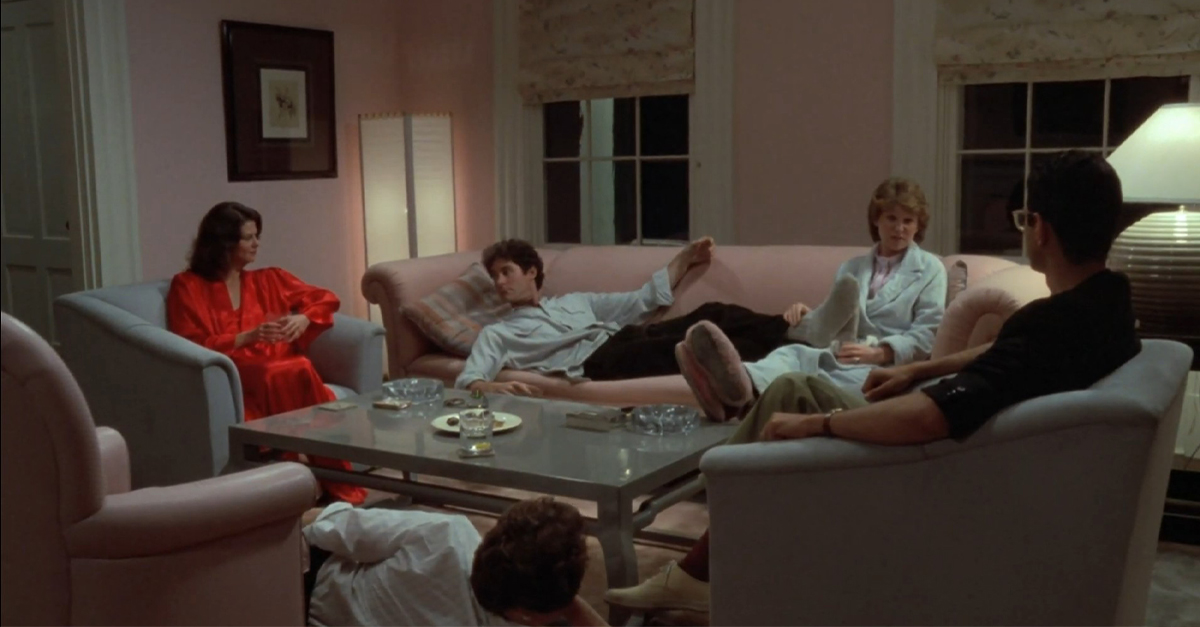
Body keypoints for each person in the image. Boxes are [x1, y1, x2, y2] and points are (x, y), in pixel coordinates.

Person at [605, 150, 1142, 614]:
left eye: (1024, 220)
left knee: (790, 396)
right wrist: (920, 368)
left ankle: (698, 568)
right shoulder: (1109, 305)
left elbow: (931, 416)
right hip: (984, 458)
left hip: (939, 472)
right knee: (792, 361)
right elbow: (1007, 353)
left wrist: (821, 423)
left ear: (1040, 228)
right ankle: (723, 541)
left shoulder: (1048, 322)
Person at [677, 177, 947, 422]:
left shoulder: (930, 269)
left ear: (918, 226)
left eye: (908, 221)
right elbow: (841, 320)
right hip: (839, 348)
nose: (899, 228)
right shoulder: (852, 268)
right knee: (792, 354)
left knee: (809, 380)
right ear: (877, 220)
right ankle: (738, 386)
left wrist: (881, 352)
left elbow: (929, 332)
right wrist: (810, 313)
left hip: (882, 364)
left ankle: (731, 402)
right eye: (891, 218)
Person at [167, 201, 365, 505]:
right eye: (248, 238)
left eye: (257, 236)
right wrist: (247, 337)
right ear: (224, 243)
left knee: (294, 366)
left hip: (279, 366)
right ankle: (307, 467)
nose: (256, 244)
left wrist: (304, 318)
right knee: (283, 370)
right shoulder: (187, 286)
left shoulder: (270, 279)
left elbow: (326, 298)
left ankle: (310, 470)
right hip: (231, 371)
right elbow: (188, 344)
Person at [458, 237, 805, 397]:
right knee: (694, 345)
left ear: (531, 272)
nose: (500, 283)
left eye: (506, 272)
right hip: (595, 362)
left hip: (625, 337)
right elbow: (469, 379)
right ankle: (793, 356)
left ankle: (796, 329)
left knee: (712, 313)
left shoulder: (575, 302)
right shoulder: (498, 333)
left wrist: (683, 259)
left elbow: (640, 300)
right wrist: (493, 387)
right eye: (495, 277)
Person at [303, 497, 607, 626]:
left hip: (312, 580)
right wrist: (569, 604)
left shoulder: (446, 534)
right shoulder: (529, 614)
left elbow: (327, 526)